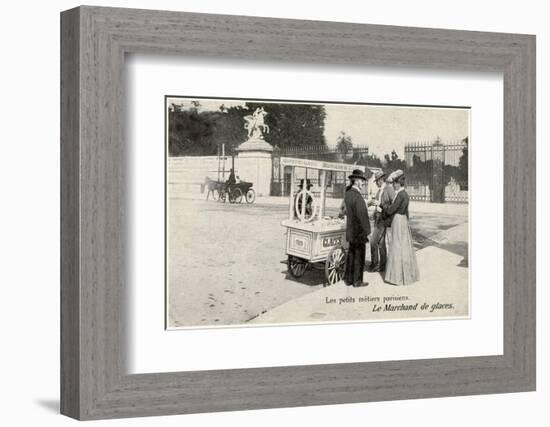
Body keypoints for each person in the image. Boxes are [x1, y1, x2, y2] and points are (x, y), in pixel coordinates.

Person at [383, 170, 419, 286]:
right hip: (403, 221)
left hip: (398, 221)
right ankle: (406, 275)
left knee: (396, 246)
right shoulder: (406, 195)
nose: (393, 185)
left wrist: (382, 206)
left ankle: (396, 277)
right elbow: (406, 212)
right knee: (404, 247)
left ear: (398, 183)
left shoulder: (399, 195)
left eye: (394, 183)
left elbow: (390, 210)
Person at [343, 169, 370, 287]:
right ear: (357, 181)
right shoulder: (357, 196)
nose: (363, 183)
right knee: (359, 255)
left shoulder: (348, 194)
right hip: (359, 232)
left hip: (351, 230)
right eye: (362, 181)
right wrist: (367, 230)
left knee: (351, 254)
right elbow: (362, 215)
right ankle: (357, 281)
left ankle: (349, 279)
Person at [367, 170, 395, 272]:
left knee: (373, 241)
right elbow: (378, 206)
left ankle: (374, 264)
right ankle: (383, 265)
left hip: (383, 219)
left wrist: (381, 205)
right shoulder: (379, 191)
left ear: (381, 179)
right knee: (381, 243)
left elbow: (393, 205)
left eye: (377, 181)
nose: (377, 183)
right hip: (378, 218)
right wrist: (374, 213)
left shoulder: (389, 189)